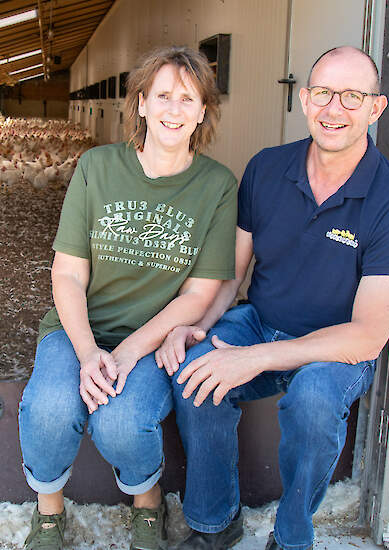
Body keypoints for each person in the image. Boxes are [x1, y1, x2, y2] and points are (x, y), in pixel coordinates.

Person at [156, 46, 389, 550]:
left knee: (315, 400)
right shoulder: (267, 168)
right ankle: (215, 523)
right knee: (196, 369)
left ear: (376, 108)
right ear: (304, 99)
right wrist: (199, 325)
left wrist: (256, 359)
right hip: (261, 320)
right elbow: (232, 276)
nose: (334, 108)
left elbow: (366, 336)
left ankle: (292, 534)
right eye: (322, 93)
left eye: (351, 96)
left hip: (334, 348)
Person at [17, 45, 239, 550]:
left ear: (203, 110)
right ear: (141, 103)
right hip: (79, 328)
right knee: (49, 410)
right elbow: (68, 274)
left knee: (120, 422)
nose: (173, 110)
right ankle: (49, 513)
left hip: (154, 338)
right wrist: (89, 351)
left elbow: (199, 294)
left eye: (188, 99)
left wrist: (127, 352)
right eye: (163, 96)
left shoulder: (217, 185)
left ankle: (147, 500)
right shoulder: (97, 166)